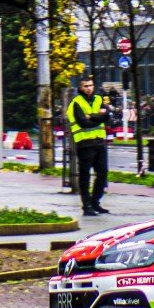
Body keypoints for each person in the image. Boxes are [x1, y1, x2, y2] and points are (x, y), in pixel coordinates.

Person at [68, 78, 112, 216]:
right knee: (85, 176)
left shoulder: (99, 99)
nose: (89, 88)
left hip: (99, 142)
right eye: (85, 86)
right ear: (80, 88)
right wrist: (98, 116)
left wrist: (91, 116)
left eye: (91, 85)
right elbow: (83, 123)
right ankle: (86, 205)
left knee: (103, 173)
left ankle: (95, 202)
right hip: (85, 144)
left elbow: (107, 116)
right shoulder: (76, 103)